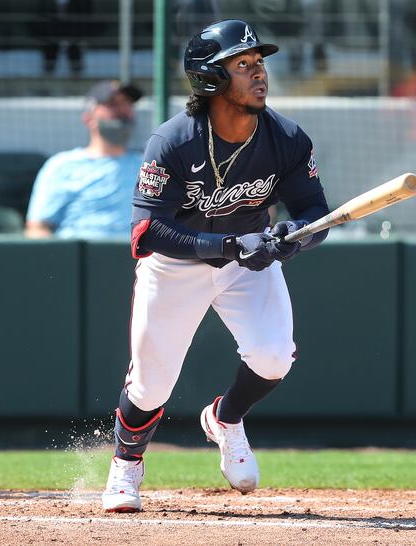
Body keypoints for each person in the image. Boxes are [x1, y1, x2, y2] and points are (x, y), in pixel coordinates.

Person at [101, 19, 330, 512]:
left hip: (250, 261)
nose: (258, 73)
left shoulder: (287, 138)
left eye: (260, 63)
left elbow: (316, 213)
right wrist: (229, 245)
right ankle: (126, 464)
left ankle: (225, 418)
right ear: (211, 79)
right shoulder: (173, 141)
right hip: (177, 263)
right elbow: (148, 233)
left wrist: (295, 238)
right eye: (243, 64)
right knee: (151, 383)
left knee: (273, 356)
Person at [25, 80, 143, 239]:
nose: (123, 110)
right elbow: (37, 228)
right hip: (79, 258)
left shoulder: (148, 165)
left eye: (127, 103)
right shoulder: (62, 165)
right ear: (89, 118)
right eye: (112, 103)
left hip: (140, 259)